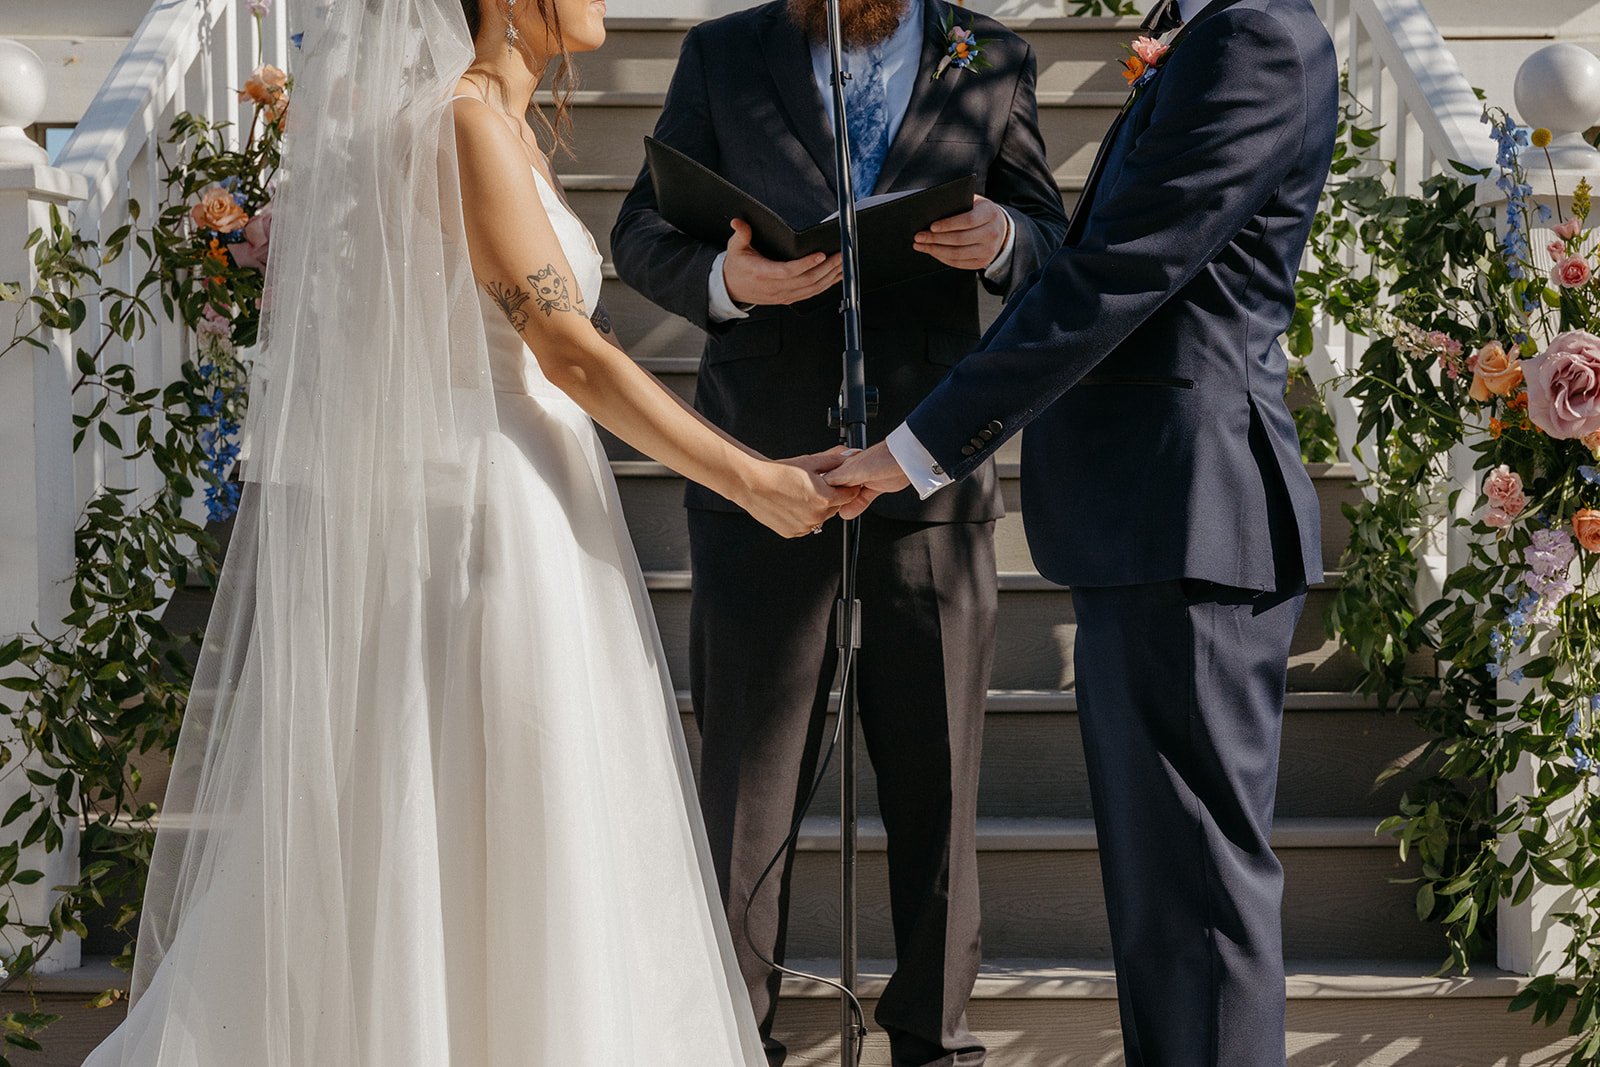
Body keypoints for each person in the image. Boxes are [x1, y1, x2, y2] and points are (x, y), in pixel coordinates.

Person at [82, 0, 854, 1062]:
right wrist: (748, 477)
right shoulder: (464, 126)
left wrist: (761, 471)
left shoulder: (497, 123)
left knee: (534, 823)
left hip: (534, 503)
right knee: (492, 810)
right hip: (488, 526)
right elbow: (568, 352)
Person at [825, 0, 1339, 1063]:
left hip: (1192, 517)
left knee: (1195, 907)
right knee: (1164, 907)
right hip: (1155, 521)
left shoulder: (1254, 36)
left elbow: (1119, 273)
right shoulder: (1214, 33)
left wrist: (917, 447)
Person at [610, 2, 1066, 1063]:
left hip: (930, 470)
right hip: (758, 469)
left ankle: (932, 1040)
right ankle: (727, 1036)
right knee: (746, 792)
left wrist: (1002, 238)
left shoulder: (992, 54)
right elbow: (640, 231)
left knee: (937, 783)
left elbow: (1051, 239)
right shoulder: (722, 53)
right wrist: (731, 282)